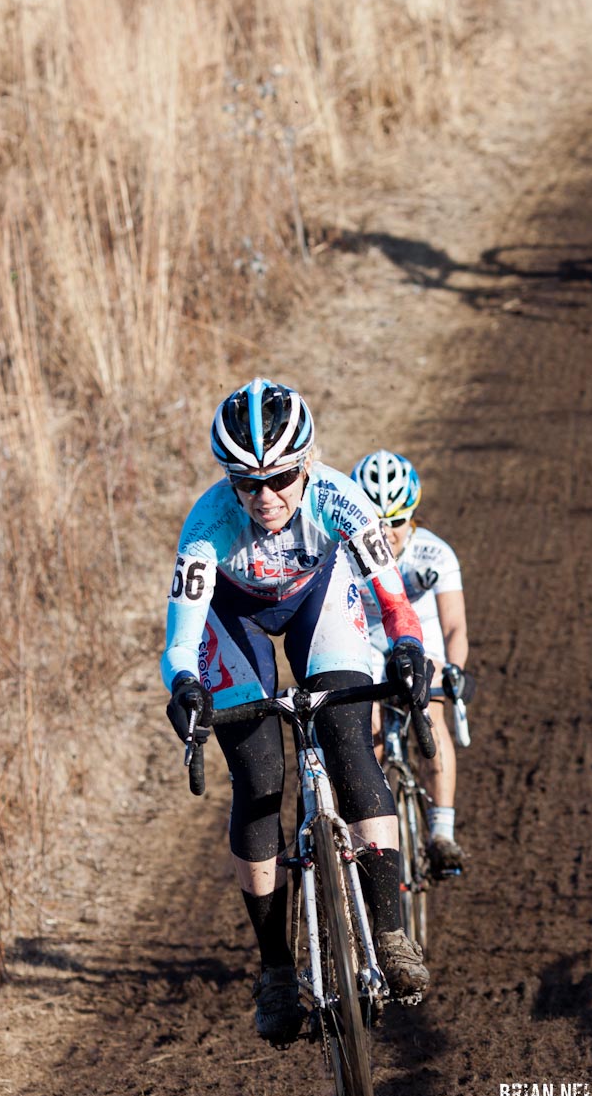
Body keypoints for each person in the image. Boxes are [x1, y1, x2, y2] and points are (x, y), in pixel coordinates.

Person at [161, 378, 431, 1045]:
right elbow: (180, 641)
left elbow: (394, 605)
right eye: (246, 483)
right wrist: (186, 689)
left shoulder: (342, 500)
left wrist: (405, 652)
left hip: (318, 602)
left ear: (305, 464)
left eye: (280, 478)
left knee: (348, 743)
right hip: (235, 619)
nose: (265, 498)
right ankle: (276, 970)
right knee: (258, 783)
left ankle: (390, 936)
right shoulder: (206, 528)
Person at [351, 450, 472, 878]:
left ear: (413, 517)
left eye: (397, 521)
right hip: (366, 639)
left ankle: (441, 833)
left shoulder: (435, 555)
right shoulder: (347, 556)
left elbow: (455, 625)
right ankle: (367, 830)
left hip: (422, 638)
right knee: (369, 732)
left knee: (431, 713)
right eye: (376, 521)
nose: (387, 532)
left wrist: (453, 670)